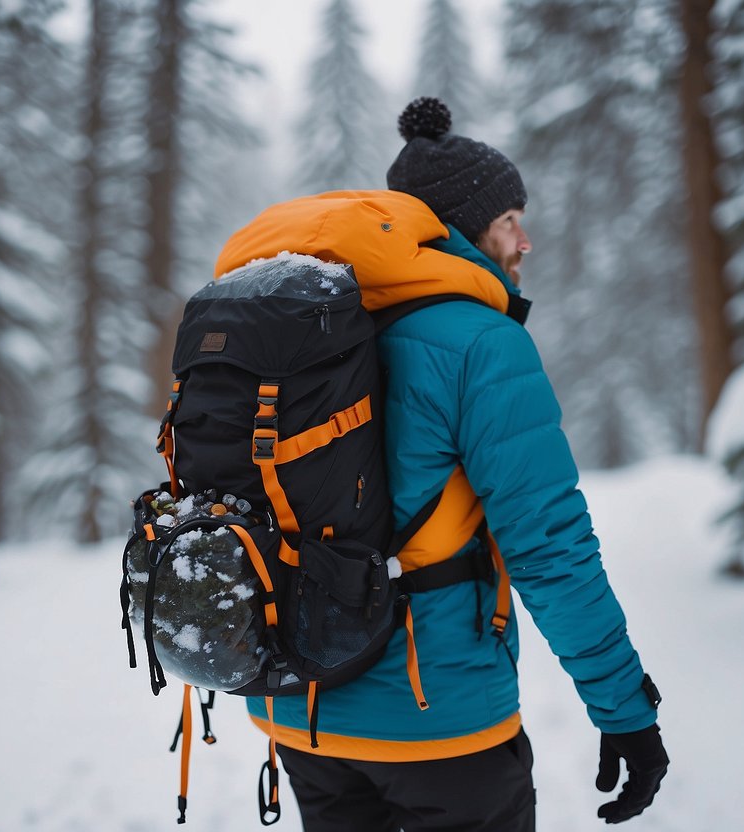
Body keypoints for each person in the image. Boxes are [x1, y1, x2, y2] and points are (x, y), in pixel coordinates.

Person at [223, 97, 669, 831]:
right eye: (508, 221)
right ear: (461, 232)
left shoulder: (298, 331)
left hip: (299, 711)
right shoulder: (480, 343)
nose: (524, 242)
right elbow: (549, 546)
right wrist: (622, 707)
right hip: (439, 723)